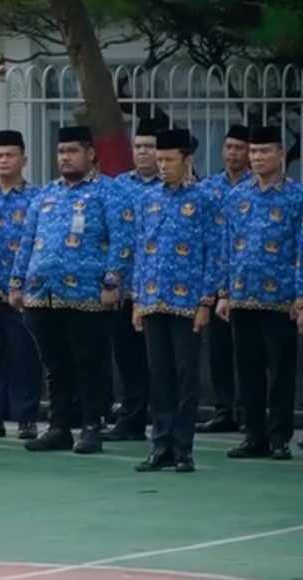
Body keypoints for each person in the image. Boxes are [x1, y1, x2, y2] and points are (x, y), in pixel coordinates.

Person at [9, 125, 134, 454]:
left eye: (72, 151)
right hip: (43, 294)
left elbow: (122, 241)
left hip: (88, 295)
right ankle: (58, 427)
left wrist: (113, 281)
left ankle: (92, 426)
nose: (65, 158)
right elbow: (27, 241)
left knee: (89, 363)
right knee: (55, 365)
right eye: (61, 152)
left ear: (90, 154)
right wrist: (17, 282)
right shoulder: (46, 194)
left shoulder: (109, 192)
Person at [131, 128, 219, 473]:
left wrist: (205, 302)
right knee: (160, 375)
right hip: (153, 298)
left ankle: (183, 447)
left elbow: (213, 253)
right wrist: (137, 299)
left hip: (187, 302)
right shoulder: (147, 199)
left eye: (169, 160)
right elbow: (140, 250)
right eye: (160, 159)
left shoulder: (203, 199)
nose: (163, 166)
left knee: (185, 375)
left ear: (187, 160)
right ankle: (161, 443)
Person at [217, 125, 301, 461]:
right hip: (242, 294)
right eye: (254, 152)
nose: (257, 158)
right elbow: (226, 246)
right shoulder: (237, 196)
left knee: (281, 369)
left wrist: (300, 296)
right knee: (248, 369)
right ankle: (254, 435)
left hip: (280, 298)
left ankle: (279, 436)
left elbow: (301, 249)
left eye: (265, 152)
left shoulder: (296, 197)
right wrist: (223, 292)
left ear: (281, 155)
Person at [0, 130, 42, 440]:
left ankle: (26, 416)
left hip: (22, 292)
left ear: (23, 160)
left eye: (10, 155)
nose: (4, 161)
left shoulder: (36, 198)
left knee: (24, 356)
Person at [105, 118, 159, 442]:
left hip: (159, 290)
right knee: (127, 357)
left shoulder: (178, 188)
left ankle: (166, 420)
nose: (142, 152)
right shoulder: (119, 186)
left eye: (149, 147)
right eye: (137, 146)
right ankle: (132, 419)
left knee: (162, 360)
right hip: (125, 287)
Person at [196, 124, 251, 434]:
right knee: (218, 351)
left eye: (239, 148)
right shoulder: (209, 187)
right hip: (213, 281)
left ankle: (247, 409)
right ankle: (223, 408)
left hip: (246, 282)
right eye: (228, 147)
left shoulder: (254, 187)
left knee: (247, 350)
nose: (232, 153)